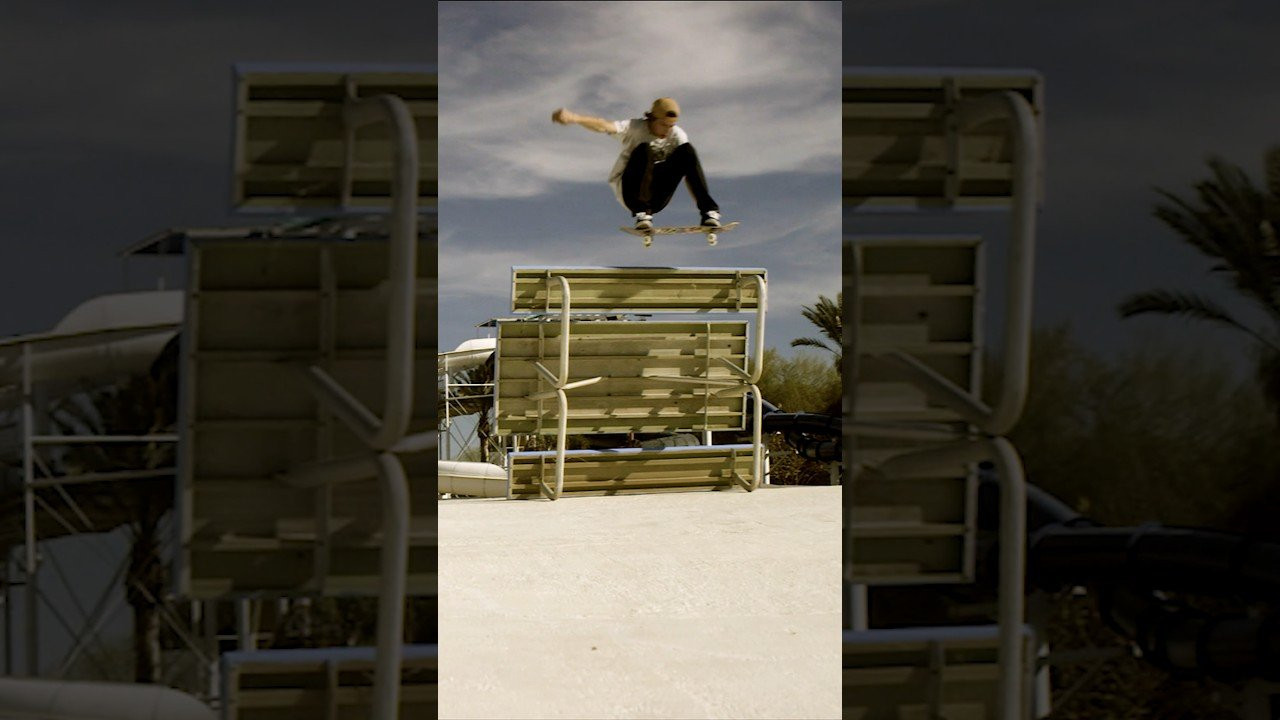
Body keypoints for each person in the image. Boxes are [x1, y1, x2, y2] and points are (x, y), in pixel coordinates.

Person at [552, 97, 721, 231]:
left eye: (671, 126)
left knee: (687, 151)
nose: (667, 131)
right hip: (631, 193)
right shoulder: (634, 127)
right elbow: (604, 126)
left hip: (657, 197)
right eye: (663, 125)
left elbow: (689, 171)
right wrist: (575, 118)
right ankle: (642, 214)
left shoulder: (677, 135)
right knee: (644, 149)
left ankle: (708, 213)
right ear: (651, 118)